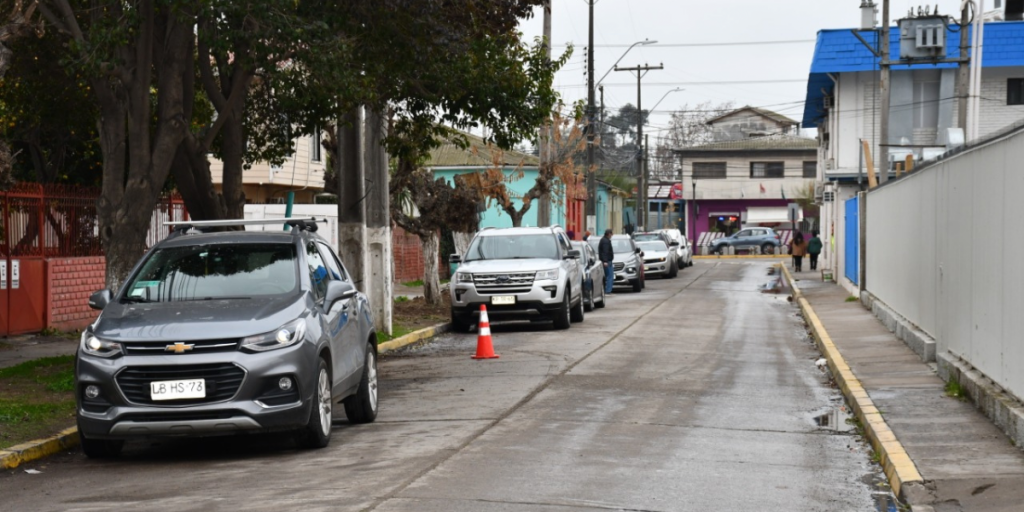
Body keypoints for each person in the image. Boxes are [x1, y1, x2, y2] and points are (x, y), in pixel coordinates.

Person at [598, 228, 615, 295]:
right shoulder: (605, 241)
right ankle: (608, 291)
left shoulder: (604, 240)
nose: (612, 235)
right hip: (607, 261)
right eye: (611, 234)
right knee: (610, 276)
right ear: (608, 234)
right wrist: (605, 261)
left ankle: (607, 290)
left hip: (606, 261)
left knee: (608, 276)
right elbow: (605, 252)